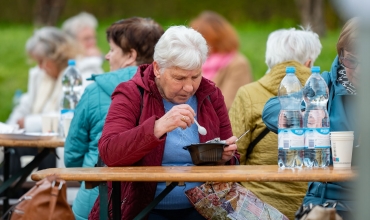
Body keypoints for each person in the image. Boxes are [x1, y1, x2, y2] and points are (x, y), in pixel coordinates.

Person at [89, 26, 240, 220]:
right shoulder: (132, 93)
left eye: (195, 76)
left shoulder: (210, 94)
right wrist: (158, 127)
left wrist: (224, 157)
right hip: (143, 208)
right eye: (179, 78)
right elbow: (109, 151)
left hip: (205, 207)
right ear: (157, 69)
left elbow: (232, 156)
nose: (189, 87)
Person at [64, 17, 164, 220]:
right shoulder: (172, 90)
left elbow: (71, 157)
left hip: (97, 201)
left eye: (112, 49)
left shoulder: (94, 91)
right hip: (157, 201)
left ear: (130, 55)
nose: (107, 56)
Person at [262, 18, 359, 219]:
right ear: (341, 56)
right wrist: (316, 123)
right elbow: (270, 111)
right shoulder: (325, 85)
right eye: (351, 61)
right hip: (327, 199)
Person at [228, 27, 322, 219]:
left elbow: (233, 156)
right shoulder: (323, 95)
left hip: (258, 209)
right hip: (315, 208)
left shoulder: (248, 94)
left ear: (269, 60)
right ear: (309, 63)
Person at [5, 27, 80, 175]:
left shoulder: (76, 75)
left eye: (42, 61)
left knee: (26, 153)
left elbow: (69, 116)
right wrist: (8, 129)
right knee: (9, 150)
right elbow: (25, 105)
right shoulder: (39, 75)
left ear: (56, 58)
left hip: (59, 145)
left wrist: (28, 122)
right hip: (36, 140)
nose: (39, 66)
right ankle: (9, 193)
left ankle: (12, 193)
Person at [190, 11, 253, 110]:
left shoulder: (238, 64)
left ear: (216, 40)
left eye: (201, 38)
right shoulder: (198, 62)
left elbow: (228, 104)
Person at [62, 12, 104, 90]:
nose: (92, 42)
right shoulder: (69, 66)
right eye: (86, 39)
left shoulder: (94, 61)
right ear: (72, 42)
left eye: (94, 38)